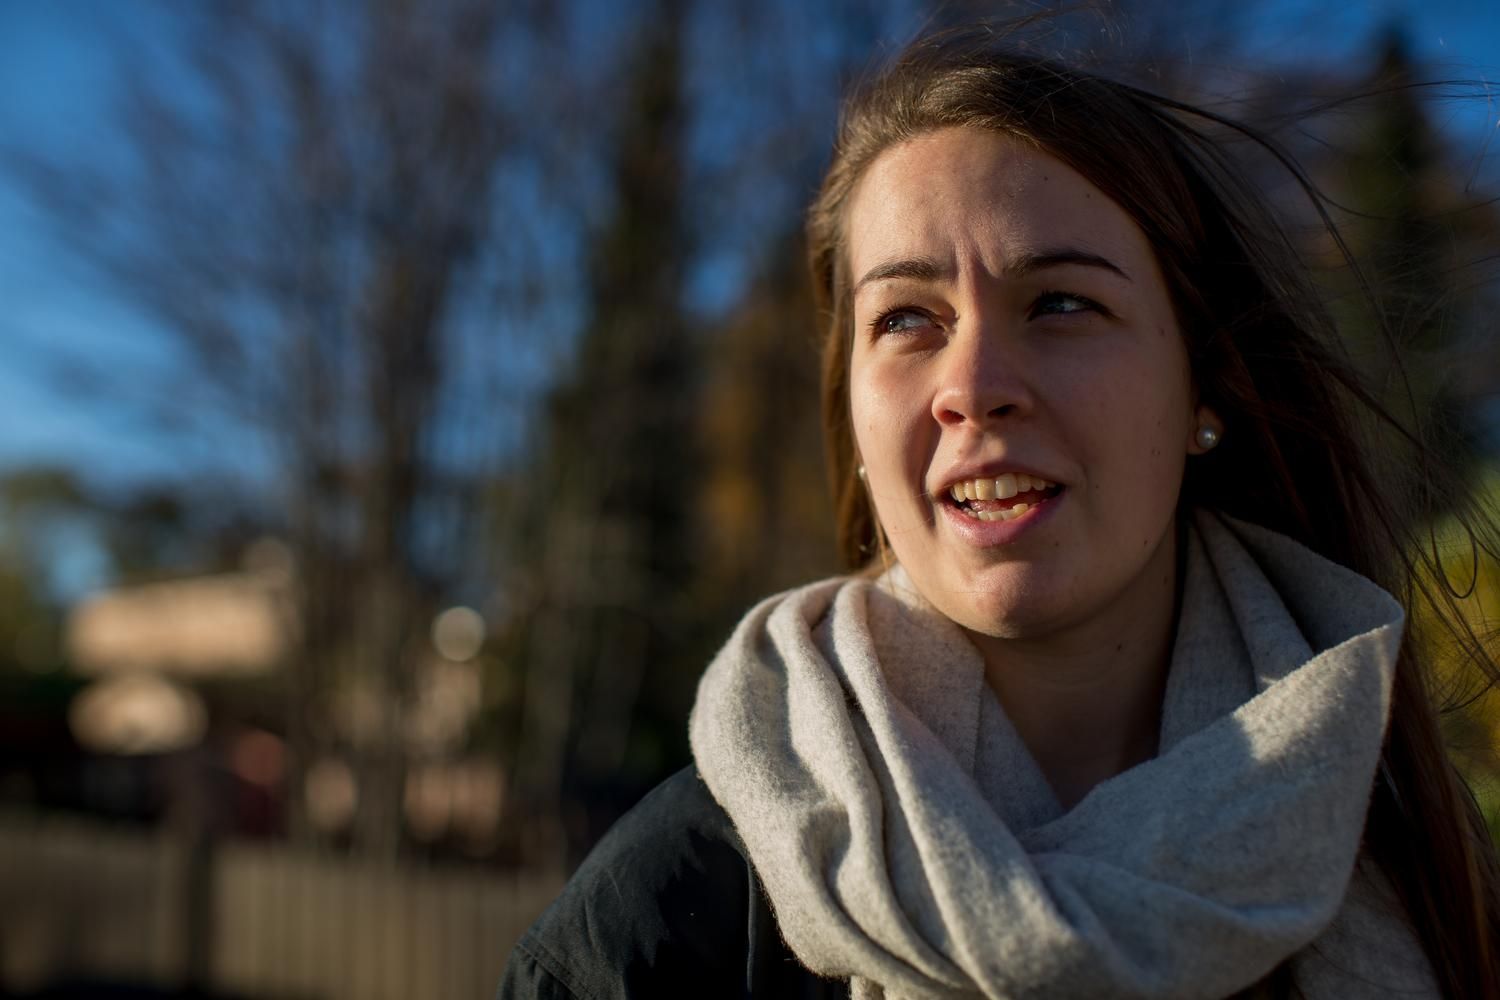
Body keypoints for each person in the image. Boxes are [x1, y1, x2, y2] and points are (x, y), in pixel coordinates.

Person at [499, 27, 1500, 1000]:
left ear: (1204, 384)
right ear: (852, 415)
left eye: (1061, 303)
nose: (974, 387)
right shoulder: (647, 941)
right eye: (906, 319)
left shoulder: (1433, 882)